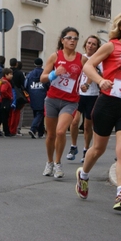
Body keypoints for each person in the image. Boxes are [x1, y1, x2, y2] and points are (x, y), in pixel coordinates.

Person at [74, 10, 121, 211]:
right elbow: (88, 66)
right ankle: (83, 175)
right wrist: (100, 81)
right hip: (107, 103)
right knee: (98, 149)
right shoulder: (110, 46)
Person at [40, 26, 87, 178]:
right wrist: (54, 73)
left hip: (70, 101)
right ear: (62, 40)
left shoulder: (82, 59)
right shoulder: (55, 56)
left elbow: (92, 71)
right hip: (52, 99)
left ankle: (58, 162)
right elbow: (42, 77)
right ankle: (49, 162)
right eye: (69, 38)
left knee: (61, 131)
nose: (72, 41)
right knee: (51, 135)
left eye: (75, 38)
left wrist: (87, 84)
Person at [67, 35, 102, 163]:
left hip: (92, 95)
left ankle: (86, 149)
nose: (90, 45)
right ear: (85, 44)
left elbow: (93, 73)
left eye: (93, 44)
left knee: (87, 126)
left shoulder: (99, 60)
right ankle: (73, 146)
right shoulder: (79, 58)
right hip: (78, 95)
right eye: (89, 43)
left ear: (97, 47)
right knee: (74, 121)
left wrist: (87, 84)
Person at [25, 58, 49, 139]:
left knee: (37, 113)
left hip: (33, 95)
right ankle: (33, 129)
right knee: (40, 113)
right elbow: (48, 84)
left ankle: (40, 132)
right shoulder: (44, 73)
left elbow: (26, 85)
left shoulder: (30, 74)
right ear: (42, 64)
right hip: (42, 95)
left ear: (34, 64)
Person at [8, 58, 25, 136]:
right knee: (17, 112)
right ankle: (15, 129)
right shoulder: (19, 73)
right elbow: (24, 84)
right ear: (16, 64)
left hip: (8, 93)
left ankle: (8, 128)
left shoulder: (6, 71)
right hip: (17, 94)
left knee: (9, 113)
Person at [0, 68, 14, 137]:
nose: (11, 76)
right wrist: (9, 96)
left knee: (1, 116)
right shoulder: (6, 82)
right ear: (6, 74)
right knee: (5, 117)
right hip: (5, 100)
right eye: (10, 74)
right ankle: (6, 131)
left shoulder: (4, 81)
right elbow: (3, 90)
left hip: (2, 100)